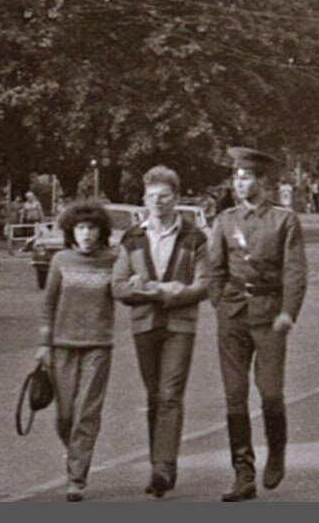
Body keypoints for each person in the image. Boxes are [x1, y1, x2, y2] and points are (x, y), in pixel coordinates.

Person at [207, 147, 308, 501]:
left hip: (269, 315)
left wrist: (288, 312)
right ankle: (243, 472)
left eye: (246, 177)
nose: (239, 183)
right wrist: (219, 301)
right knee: (234, 396)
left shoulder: (284, 220)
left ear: (262, 182)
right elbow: (214, 269)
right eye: (236, 177)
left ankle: (276, 450)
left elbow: (295, 272)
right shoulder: (224, 221)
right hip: (233, 315)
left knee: (269, 392)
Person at [111, 166, 210, 498]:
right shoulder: (133, 238)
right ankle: (159, 465)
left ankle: (163, 469)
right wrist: (152, 291)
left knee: (169, 395)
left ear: (177, 199)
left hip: (180, 326)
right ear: (144, 198)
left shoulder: (193, 237)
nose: (157, 202)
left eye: (164, 196)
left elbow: (204, 283)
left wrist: (179, 293)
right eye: (151, 196)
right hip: (144, 324)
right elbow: (119, 286)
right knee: (154, 396)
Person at [36, 200, 118, 501]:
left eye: (92, 228)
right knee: (66, 414)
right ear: (72, 231)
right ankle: (74, 453)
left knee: (86, 412)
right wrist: (44, 344)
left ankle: (76, 478)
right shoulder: (60, 261)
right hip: (62, 347)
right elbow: (48, 303)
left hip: (98, 346)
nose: (86, 234)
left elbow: (124, 289)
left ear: (101, 232)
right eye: (81, 228)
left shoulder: (112, 260)